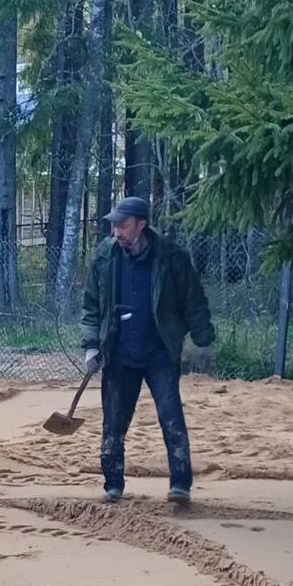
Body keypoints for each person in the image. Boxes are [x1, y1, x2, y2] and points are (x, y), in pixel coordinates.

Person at [79, 195, 214, 505]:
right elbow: (91, 307)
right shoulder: (104, 257)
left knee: (171, 419)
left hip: (160, 353)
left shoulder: (172, 259)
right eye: (114, 226)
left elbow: (194, 301)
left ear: (141, 225)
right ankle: (113, 484)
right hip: (119, 353)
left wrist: (203, 341)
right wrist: (90, 347)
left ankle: (180, 484)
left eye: (123, 226)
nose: (117, 232)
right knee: (114, 423)